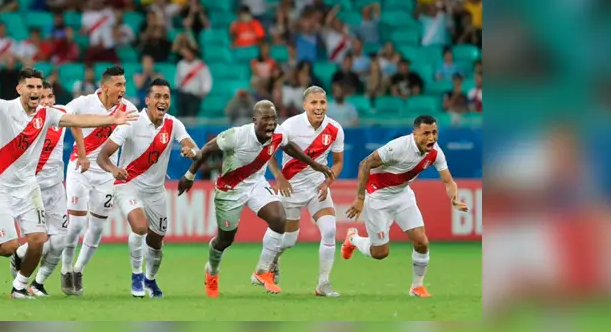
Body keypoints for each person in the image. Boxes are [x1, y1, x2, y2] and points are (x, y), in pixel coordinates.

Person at [0, 67, 137, 299]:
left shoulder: (47, 115)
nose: (35, 91)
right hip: (0, 187)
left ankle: (19, 287)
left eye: (39, 87)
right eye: (31, 87)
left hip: (29, 187)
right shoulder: (5, 109)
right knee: (9, 248)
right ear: (19, 89)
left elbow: (77, 120)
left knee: (37, 242)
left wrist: (111, 119)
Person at [178, 101, 335, 297]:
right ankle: (212, 271)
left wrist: (315, 165)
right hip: (230, 190)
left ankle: (262, 271)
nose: (271, 123)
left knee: (279, 218)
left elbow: (289, 147)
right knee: (224, 240)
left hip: (256, 184)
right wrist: (189, 175)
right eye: (266, 119)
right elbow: (208, 149)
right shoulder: (237, 135)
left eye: (273, 119)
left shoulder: (278, 133)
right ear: (255, 120)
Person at [343, 115, 469, 297]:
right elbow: (365, 164)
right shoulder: (398, 147)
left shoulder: (435, 153)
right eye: (426, 133)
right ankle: (353, 239)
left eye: (434, 133)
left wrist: (454, 198)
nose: (431, 138)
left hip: (403, 196)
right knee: (380, 253)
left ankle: (417, 287)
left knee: (421, 242)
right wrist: (360, 198)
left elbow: (448, 181)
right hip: (377, 198)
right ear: (415, 134)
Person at [96, 79, 199, 298]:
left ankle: (150, 280)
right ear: (147, 100)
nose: (163, 101)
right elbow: (102, 156)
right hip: (128, 185)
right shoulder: (131, 122)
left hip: (156, 192)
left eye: (166, 97)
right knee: (140, 227)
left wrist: (191, 152)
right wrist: (113, 169)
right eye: (158, 96)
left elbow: (195, 150)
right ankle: (136, 275)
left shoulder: (173, 124)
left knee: (156, 241)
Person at [60, 66, 138, 296]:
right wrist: (83, 153)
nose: (123, 89)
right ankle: (65, 268)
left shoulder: (128, 109)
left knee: (96, 227)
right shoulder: (83, 102)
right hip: (80, 169)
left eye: (124, 84)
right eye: (118, 85)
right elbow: (66, 118)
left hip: (106, 174)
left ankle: (78, 270)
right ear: (105, 87)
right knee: (75, 225)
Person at [266, 87, 345, 297]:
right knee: (289, 240)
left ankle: (323, 283)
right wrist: (279, 177)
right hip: (291, 188)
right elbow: (269, 152)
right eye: (314, 103)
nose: (319, 107)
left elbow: (338, 162)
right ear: (305, 105)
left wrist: (328, 182)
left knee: (329, 231)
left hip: (317, 188)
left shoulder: (335, 129)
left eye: (322, 103)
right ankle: (273, 260)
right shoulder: (289, 126)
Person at [7, 81, 70, 297]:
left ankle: (38, 283)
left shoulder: (62, 114)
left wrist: (81, 153)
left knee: (60, 241)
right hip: (34, 188)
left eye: (50, 96)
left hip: (57, 187)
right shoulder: (26, 122)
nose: (47, 101)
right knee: (40, 241)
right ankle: (20, 267)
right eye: (42, 98)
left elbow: (79, 124)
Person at [174, 46, 212, 117]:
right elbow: (177, 80)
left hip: (195, 95)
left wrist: (204, 91)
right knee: (180, 114)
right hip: (182, 94)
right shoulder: (181, 64)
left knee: (190, 115)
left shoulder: (200, 65)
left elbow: (206, 80)